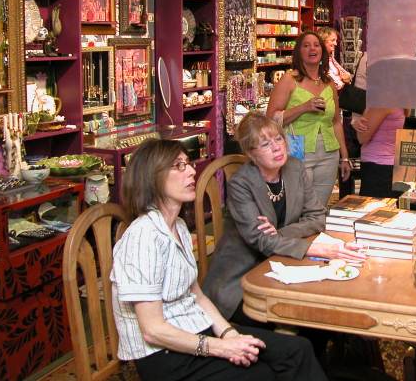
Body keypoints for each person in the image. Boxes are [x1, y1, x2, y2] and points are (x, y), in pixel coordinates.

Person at [110, 138, 326, 381]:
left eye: (188, 163)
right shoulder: (142, 238)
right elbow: (153, 331)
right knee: (262, 373)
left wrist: (227, 334)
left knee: (297, 350)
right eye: (179, 166)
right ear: (152, 178)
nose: (192, 171)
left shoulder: (178, 226)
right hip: (164, 355)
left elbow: (197, 296)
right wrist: (222, 348)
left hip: (195, 329)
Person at [204, 112, 365, 323]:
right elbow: (260, 240)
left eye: (278, 139)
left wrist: (279, 233)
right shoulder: (240, 184)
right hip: (241, 278)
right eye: (264, 144)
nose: (276, 147)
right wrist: (312, 248)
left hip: (283, 263)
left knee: (333, 305)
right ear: (251, 154)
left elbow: (317, 216)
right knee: (311, 316)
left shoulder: (294, 168)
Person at [267, 31, 351, 206]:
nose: (312, 48)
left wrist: (344, 157)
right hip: (299, 152)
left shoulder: (329, 84)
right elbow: (271, 119)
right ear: (299, 52)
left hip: (329, 154)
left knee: (319, 207)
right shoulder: (289, 79)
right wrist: (304, 107)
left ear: (322, 51)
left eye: (316, 44)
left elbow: (336, 122)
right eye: (306, 45)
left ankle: (316, 233)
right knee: (300, 206)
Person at [317, 26, 352, 91]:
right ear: (322, 41)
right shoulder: (318, 60)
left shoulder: (330, 57)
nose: (335, 44)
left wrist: (347, 77)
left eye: (336, 40)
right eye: (333, 40)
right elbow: (333, 84)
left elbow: (345, 74)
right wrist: (343, 80)